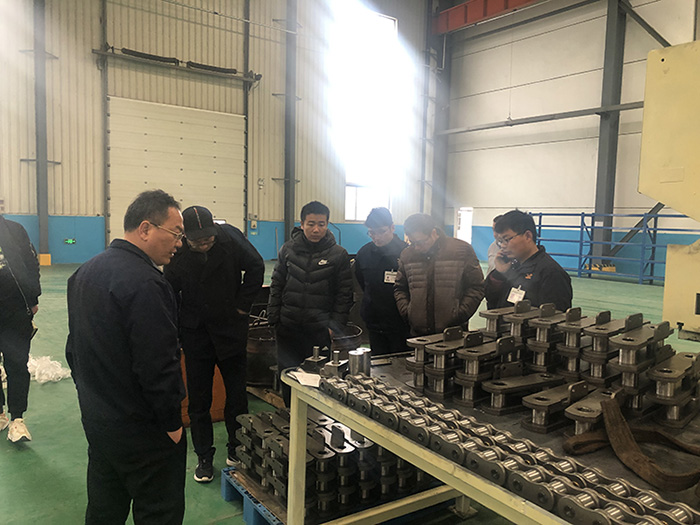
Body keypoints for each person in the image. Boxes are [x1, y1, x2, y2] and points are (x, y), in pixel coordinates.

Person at [66, 190, 187, 524]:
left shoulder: (84, 273)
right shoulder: (147, 284)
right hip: (143, 430)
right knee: (158, 512)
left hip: (100, 423)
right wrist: (172, 423)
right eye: (175, 233)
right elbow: (157, 364)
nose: (179, 244)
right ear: (146, 228)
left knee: (105, 508)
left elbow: (74, 350)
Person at [164, 206, 264, 483]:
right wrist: (176, 327)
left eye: (208, 239)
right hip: (196, 334)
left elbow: (256, 266)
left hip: (230, 328)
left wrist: (243, 306)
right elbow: (168, 289)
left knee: (237, 396)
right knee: (199, 401)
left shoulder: (230, 238)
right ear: (186, 237)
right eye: (197, 241)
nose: (204, 244)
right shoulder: (178, 251)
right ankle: (204, 457)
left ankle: (237, 448)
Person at [267, 201, 353, 403]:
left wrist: (334, 327)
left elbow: (344, 294)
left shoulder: (338, 255)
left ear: (327, 224)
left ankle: (314, 419)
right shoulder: (287, 250)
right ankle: (290, 414)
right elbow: (277, 284)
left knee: (316, 380)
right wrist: (274, 319)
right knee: (288, 376)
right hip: (288, 328)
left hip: (318, 331)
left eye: (321, 224)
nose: (316, 229)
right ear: (302, 224)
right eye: (311, 224)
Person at [394, 213, 484, 336]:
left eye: (420, 242)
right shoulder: (407, 255)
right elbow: (400, 288)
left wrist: (459, 314)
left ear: (433, 232)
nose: (416, 248)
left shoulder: (461, 251)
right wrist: (408, 312)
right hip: (418, 333)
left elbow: (477, 287)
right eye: (412, 243)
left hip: (453, 332)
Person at [0, 215, 40, 443]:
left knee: (16, 363)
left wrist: (33, 298)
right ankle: (0, 415)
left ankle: (17, 420)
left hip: (14, 310)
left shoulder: (15, 231)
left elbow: (31, 263)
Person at [484, 209, 572, 311]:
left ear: (528, 236)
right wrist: (499, 274)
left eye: (507, 239)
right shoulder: (511, 266)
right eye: (500, 241)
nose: (503, 245)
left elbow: (554, 316)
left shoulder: (551, 273)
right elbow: (492, 303)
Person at [354, 207, 409, 355]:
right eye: (372, 233)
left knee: (400, 363)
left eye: (382, 232)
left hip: (401, 324)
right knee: (378, 363)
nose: (377, 237)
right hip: (374, 322)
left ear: (392, 228)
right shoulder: (364, 253)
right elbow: (362, 281)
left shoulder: (406, 253)